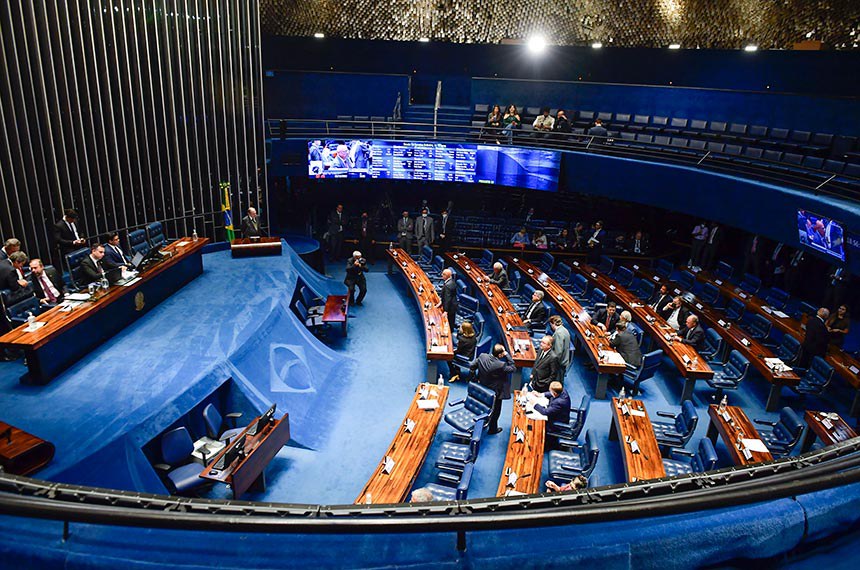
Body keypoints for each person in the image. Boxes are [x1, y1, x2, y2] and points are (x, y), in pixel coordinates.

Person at [470, 344, 516, 434]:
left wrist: (474, 379)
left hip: (482, 387)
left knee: (482, 406)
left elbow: (472, 366)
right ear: (500, 355)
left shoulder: (482, 356)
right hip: (495, 391)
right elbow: (513, 368)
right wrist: (507, 355)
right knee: (495, 411)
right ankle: (493, 429)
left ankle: (480, 423)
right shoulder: (500, 365)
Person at [549, 315, 571, 382]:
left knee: (557, 382)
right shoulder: (564, 330)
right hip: (564, 360)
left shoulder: (558, 333)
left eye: (551, 325)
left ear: (553, 323)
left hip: (559, 363)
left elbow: (558, 352)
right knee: (560, 380)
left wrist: (552, 363)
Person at [438, 268, 458, 336]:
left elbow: (447, 299)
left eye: (443, 274)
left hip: (450, 307)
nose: (442, 275)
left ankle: (449, 335)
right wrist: (441, 302)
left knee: (449, 322)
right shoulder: (452, 281)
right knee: (451, 321)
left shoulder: (447, 285)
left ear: (447, 276)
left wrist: (446, 311)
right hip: (453, 304)